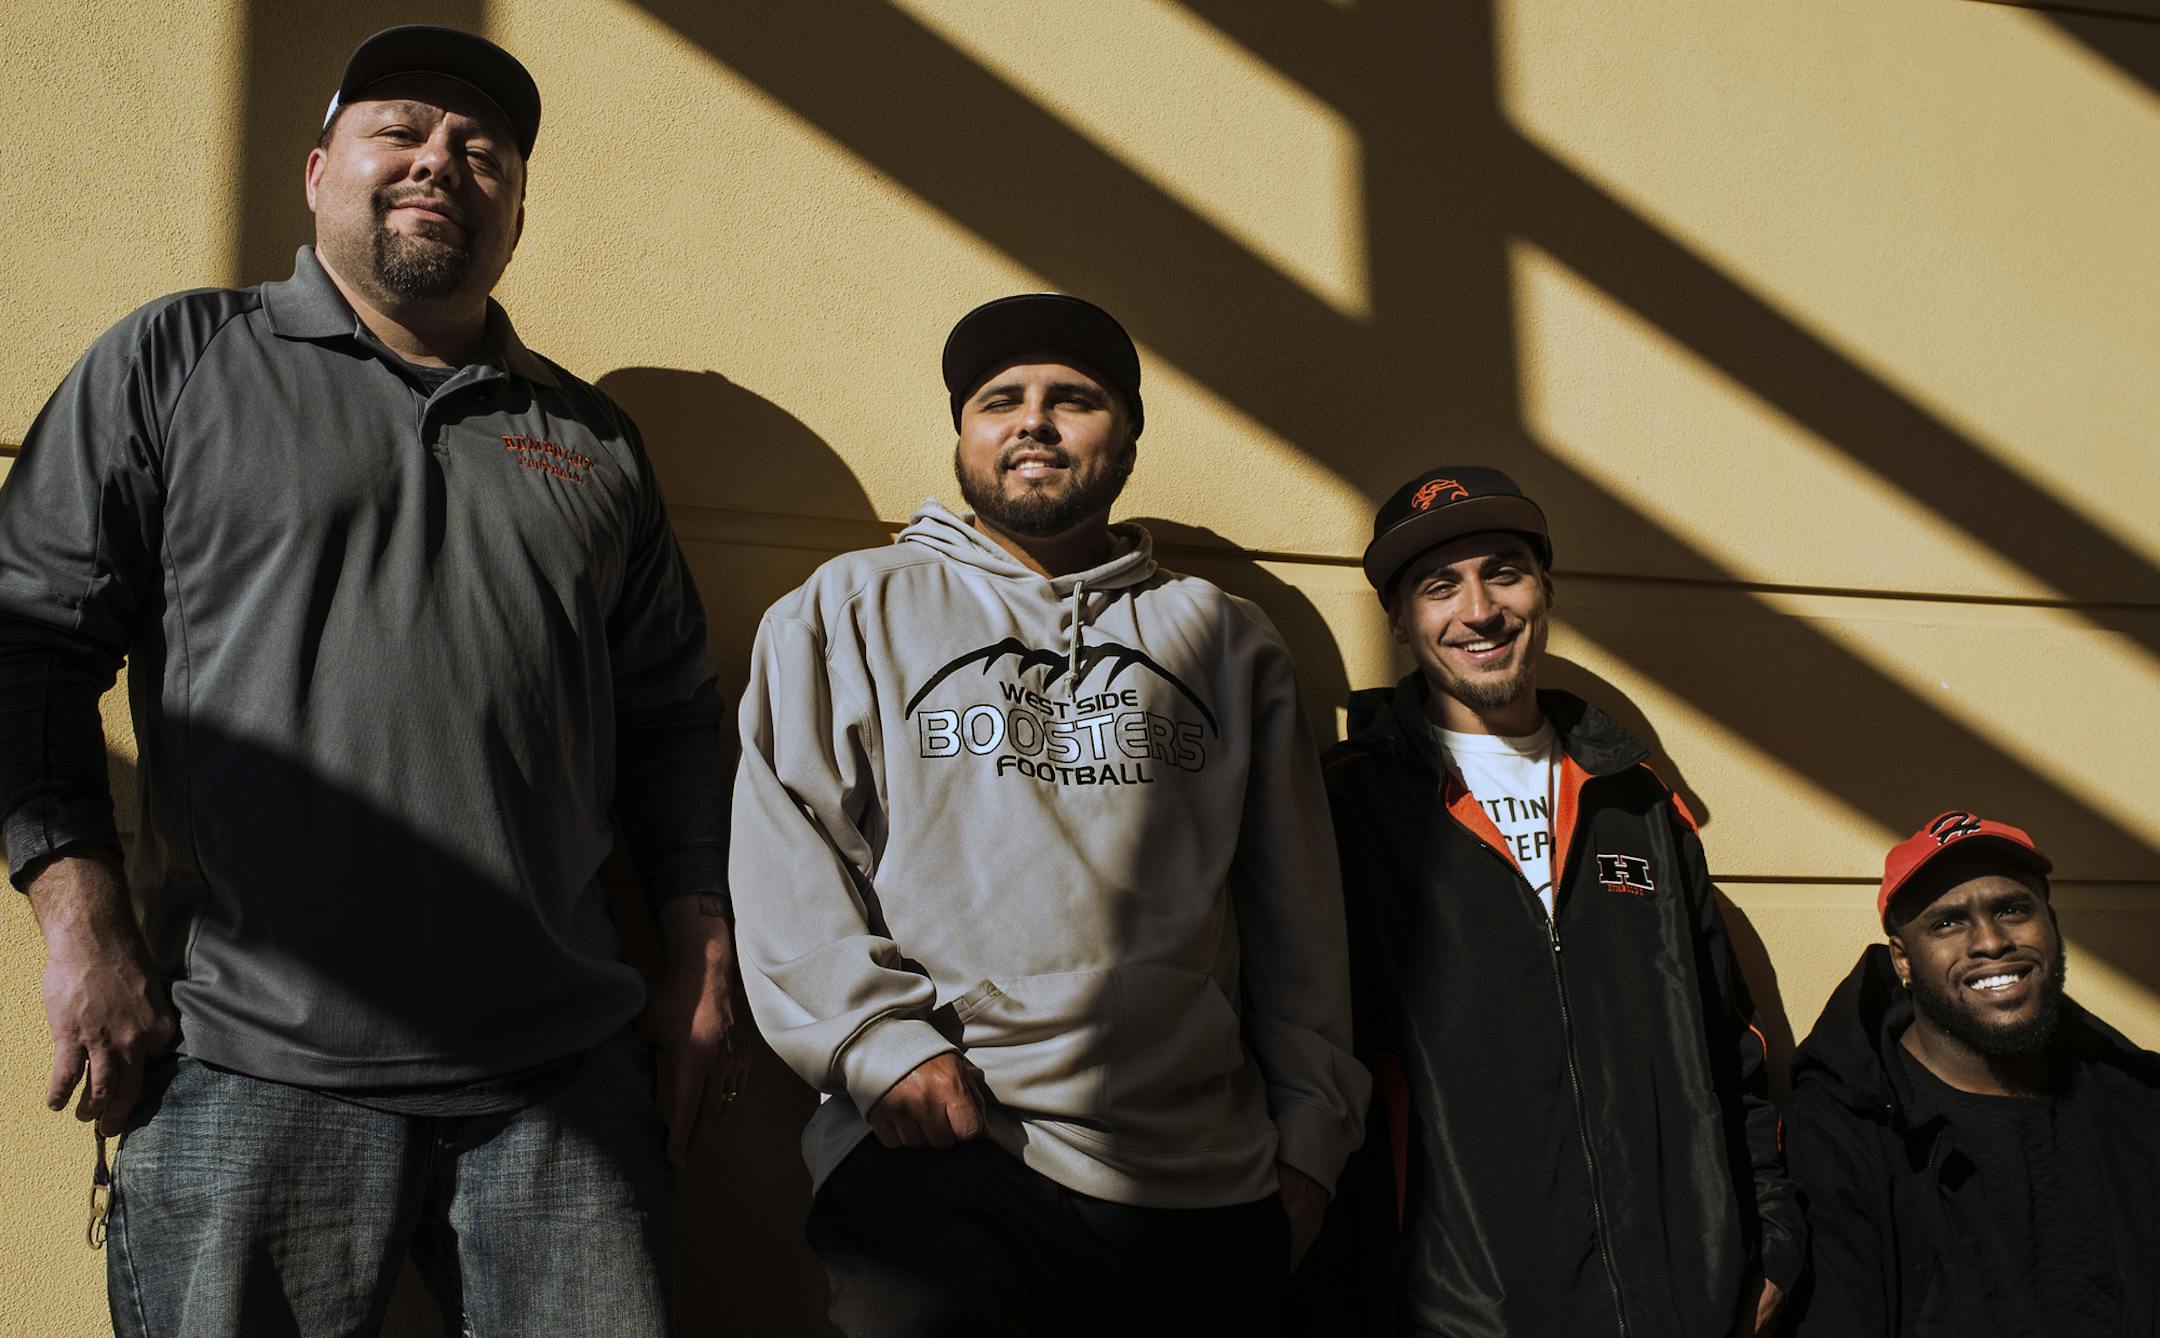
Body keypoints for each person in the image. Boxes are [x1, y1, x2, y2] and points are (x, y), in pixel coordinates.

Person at [0, 26, 746, 1336]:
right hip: (247, 1063)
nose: (441, 162)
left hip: (559, 1084)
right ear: (315, 171)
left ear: (515, 212)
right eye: (400, 129)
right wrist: (79, 922)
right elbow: (29, 644)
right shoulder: (175, 363)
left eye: (484, 151)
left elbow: (674, 717)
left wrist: (701, 957)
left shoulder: (589, 440)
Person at [729, 292, 1369, 1336]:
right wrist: (879, 1048)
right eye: (1000, 399)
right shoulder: (848, 607)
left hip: (1199, 1181)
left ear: (1125, 435)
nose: (1034, 420)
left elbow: (1299, 908)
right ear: (963, 432)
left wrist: (1311, 1141)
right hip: (939, 1149)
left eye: (1073, 399)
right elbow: (784, 850)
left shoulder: (1225, 641)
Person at [1316, 467, 1802, 1336]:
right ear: (1400, 620)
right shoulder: (1347, 807)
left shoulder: (1639, 800)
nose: (1479, 609)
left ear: (1544, 591)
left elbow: (1734, 1049)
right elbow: (1309, 1062)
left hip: (1679, 1301)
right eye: (1439, 586)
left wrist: (1769, 1238)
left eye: (1504, 571)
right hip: (1458, 1314)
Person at [1782, 811, 2160, 1336]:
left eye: (2012, 909)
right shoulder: (1841, 1132)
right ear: (1903, 960)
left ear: (2050, 923)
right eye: (1947, 922)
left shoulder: (2136, 1104)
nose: (1989, 941)